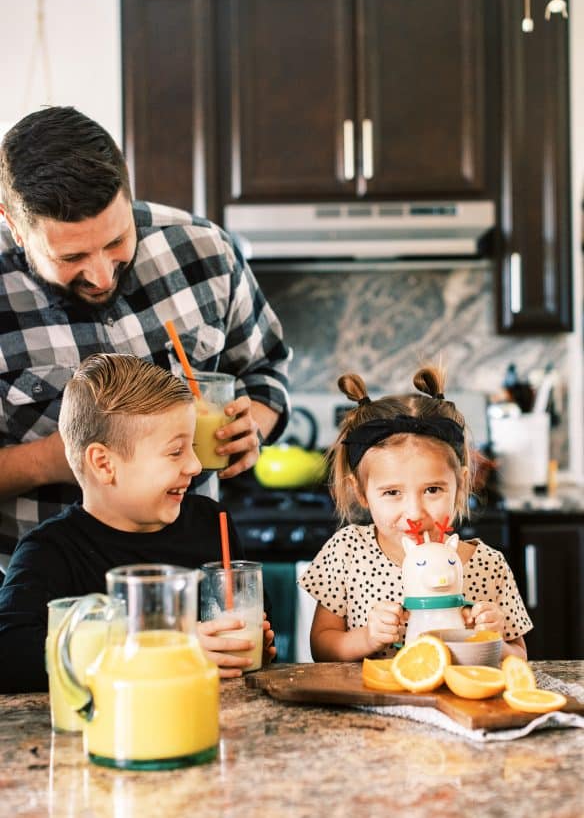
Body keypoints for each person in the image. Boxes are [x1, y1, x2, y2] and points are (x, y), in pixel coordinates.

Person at [0, 105, 291, 538]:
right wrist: (50, 460)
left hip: (194, 573)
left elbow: (265, 372)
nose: (101, 276)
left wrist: (253, 427)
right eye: (71, 257)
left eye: (117, 240)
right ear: (15, 226)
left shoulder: (205, 250)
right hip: (44, 592)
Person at [0, 353, 276, 693]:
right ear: (104, 464)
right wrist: (166, 651)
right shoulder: (50, 551)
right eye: (176, 452)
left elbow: (253, 627)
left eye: (192, 446)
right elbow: (10, 656)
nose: (194, 465)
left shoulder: (211, 522)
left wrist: (254, 642)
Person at [298, 365, 532, 662]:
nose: (414, 512)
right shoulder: (346, 552)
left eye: (432, 490)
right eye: (392, 493)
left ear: (460, 484)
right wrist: (367, 638)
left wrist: (492, 639)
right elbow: (321, 647)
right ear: (361, 492)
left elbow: (519, 657)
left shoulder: (489, 567)